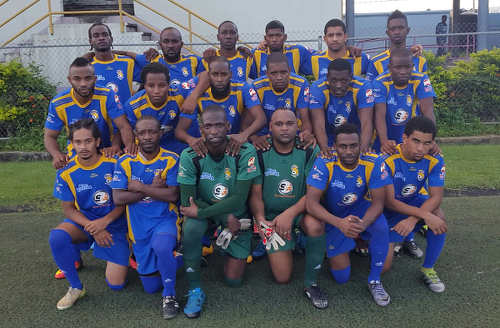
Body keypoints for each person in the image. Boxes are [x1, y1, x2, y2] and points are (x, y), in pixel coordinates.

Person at [177, 105, 261, 318]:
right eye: (208, 126)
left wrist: (223, 217)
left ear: (228, 126)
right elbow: (189, 202)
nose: (213, 131)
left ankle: (224, 246)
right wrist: (223, 217)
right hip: (215, 213)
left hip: (235, 215)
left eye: (218, 125)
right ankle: (195, 289)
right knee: (192, 227)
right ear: (201, 129)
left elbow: (240, 199)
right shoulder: (189, 155)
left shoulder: (244, 151)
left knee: (234, 281)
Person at [248, 109, 328, 309]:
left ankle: (311, 283)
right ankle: (284, 240)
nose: (284, 128)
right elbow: (255, 194)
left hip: (301, 212)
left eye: (289, 123)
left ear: (298, 126)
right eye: (279, 124)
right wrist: (260, 219)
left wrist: (290, 214)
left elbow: (313, 193)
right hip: (272, 218)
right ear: (270, 128)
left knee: (315, 225)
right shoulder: (259, 151)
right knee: (282, 277)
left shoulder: (310, 149)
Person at [306, 123, 392, 307]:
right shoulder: (324, 162)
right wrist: (339, 223)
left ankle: (375, 281)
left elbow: (378, 202)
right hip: (333, 215)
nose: (349, 151)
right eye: (343, 146)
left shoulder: (373, 161)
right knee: (341, 277)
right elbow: (311, 203)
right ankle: (340, 245)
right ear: (334, 147)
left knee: (380, 226)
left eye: (353, 145)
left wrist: (364, 223)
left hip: (359, 209)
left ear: (361, 145)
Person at [49, 118, 129, 310]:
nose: (83, 147)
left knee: (116, 284)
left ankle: (128, 248)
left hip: (114, 224)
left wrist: (104, 222)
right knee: (57, 237)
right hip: (86, 223)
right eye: (78, 142)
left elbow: (123, 202)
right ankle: (76, 287)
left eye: (88, 141)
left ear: (98, 142)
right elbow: (68, 208)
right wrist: (93, 228)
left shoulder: (114, 164)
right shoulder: (66, 171)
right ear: (72, 144)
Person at [112, 115, 182, 319]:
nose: (148, 136)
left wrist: (141, 187)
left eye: (152, 131)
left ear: (161, 133)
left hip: (164, 220)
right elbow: (118, 198)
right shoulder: (125, 161)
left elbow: (172, 194)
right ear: (135, 135)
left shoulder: (170, 159)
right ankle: (176, 260)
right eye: (142, 132)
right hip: (139, 229)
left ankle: (169, 296)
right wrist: (151, 189)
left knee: (161, 246)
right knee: (151, 287)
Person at [381, 116, 447, 293]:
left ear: (433, 143)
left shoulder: (435, 159)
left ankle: (428, 268)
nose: (420, 148)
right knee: (383, 268)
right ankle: (366, 242)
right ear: (404, 138)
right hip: (385, 210)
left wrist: (412, 219)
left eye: (427, 143)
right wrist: (423, 215)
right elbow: (389, 202)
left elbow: (436, 197)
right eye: (416, 141)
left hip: (412, 204)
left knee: (438, 215)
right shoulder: (388, 157)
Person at [44, 57, 134, 170]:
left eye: (88, 78)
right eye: (77, 79)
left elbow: (123, 126)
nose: (83, 84)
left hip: (106, 151)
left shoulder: (107, 95)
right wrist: (56, 154)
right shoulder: (58, 103)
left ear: (95, 79)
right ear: (69, 80)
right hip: (77, 154)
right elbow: (49, 136)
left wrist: (123, 147)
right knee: (65, 173)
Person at [175, 56, 266, 157]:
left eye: (223, 74)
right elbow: (179, 131)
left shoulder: (243, 88)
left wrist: (244, 135)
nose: (219, 79)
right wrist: (191, 140)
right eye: (215, 74)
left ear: (230, 75)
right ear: (209, 75)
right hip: (209, 145)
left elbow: (261, 118)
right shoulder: (197, 95)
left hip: (235, 143)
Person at [372, 48, 436, 155]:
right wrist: (384, 142)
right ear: (389, 68)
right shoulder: (380, 82)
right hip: (384, 135)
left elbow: (428, 111)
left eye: (407, 67)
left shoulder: (421, 79)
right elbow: (379, 115)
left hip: (412, 136)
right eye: (398, 67)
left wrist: (431, 141)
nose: (403, 72)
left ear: (412, 67)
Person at [309, 59, 374, 156]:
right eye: (334, 81)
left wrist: (362, 150)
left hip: (355, 137)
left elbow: (366, 123)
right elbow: (319, 125)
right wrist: (324, 148)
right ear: (327, 77)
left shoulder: (363, 87)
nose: (338, 85)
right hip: (329, 135)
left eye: (343, 81)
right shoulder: (317, 88)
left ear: (351, 77)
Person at [250, 53, 314, 150]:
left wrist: (306, 133)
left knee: (310, 147)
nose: (279, 77)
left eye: (283, 72)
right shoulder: (256, 86)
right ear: (267, 73)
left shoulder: (301, 84)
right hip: (265, 135)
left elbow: (305, 119)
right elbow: (246, 122)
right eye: (274, 73)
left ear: (289, 71)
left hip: (291, 133)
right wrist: (255, 138)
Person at [124, 62, 188, 155]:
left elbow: (204, 76)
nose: (156, 91)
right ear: (144, 86)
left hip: (177, 146)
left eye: (162, 85)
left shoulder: (180, 93)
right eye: (151, 86)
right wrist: (130, 144)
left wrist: (193, 97)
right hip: (148, 150)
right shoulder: (132, 106)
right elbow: (132, 131)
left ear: (169, 84)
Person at [124, 27, 205, 89]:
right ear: (160, 44)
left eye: (175, 41)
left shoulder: (194, 61)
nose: (170, 46)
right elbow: (130, 54)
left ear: (181, 44)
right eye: (166, 41)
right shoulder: (152, 60)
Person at [87, 23, 142, 104]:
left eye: (105, 35)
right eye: (96, 36)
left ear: (111, 39)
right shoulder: (87, 66)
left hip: (124, 115)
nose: (101, 38)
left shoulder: (128, 62)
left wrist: (137, 97)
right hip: (99, 115)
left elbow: (148, 79)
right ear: (90, 41)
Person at [366, 10, 428, 81]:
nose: (397, 32)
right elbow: (369, 89)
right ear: (387, 32)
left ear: (408, 30)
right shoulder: (376, 62)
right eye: (393, 29)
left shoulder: (420, 60)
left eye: (401, 28)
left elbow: (425, 88)